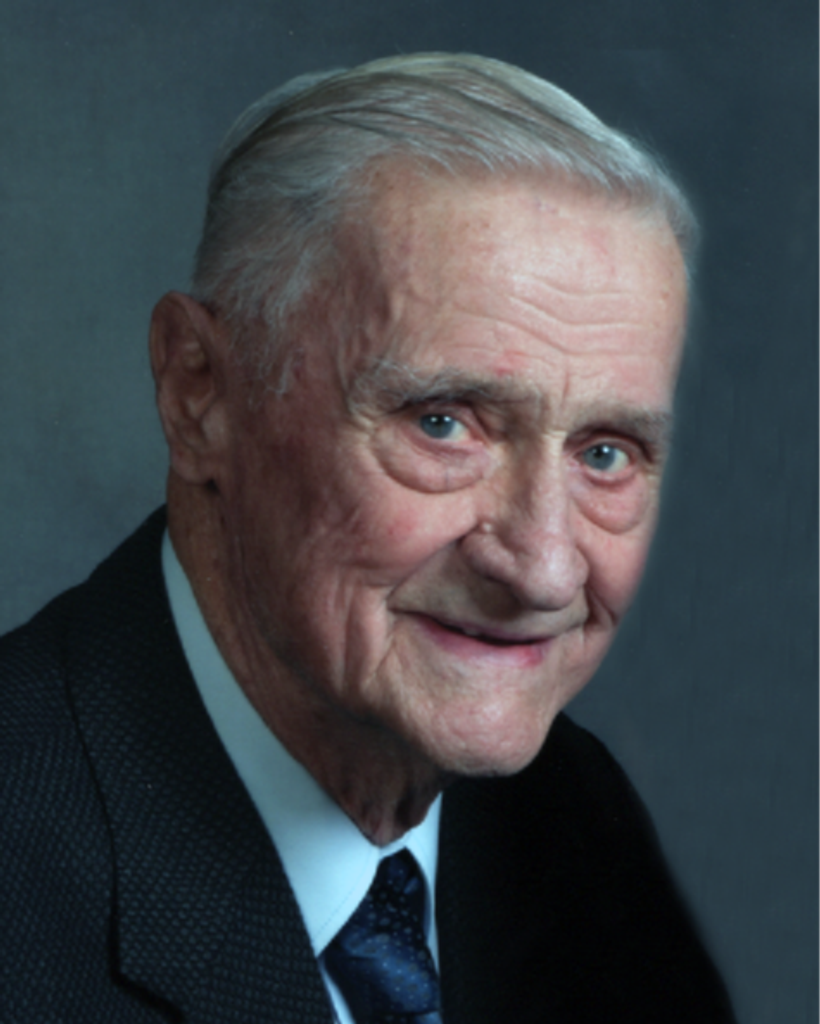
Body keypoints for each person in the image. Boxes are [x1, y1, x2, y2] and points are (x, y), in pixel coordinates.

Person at [1, 53, 736, 1022]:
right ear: (199, 394)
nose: (544, 568)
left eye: (605, 453)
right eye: (444, 423)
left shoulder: (579, 827)